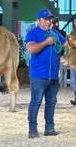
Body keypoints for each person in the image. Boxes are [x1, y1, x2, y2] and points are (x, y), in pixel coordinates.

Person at [25, 8, 67, 139]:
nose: (48, 22)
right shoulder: (32, 33)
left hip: (53, 75)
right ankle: (32, 129)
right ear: (38, 20)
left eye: (49, 19)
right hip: (38, 75)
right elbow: (31, 49)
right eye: (45, 19)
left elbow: (67, 44)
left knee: (51, 102)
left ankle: (49, 128)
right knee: (36, 101)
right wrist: (46, 42)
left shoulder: (55, 34)